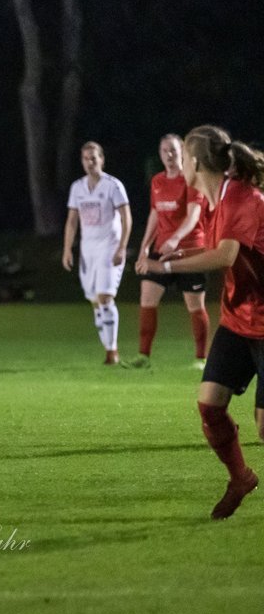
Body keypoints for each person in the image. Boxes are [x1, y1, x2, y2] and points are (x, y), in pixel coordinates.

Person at [137, 124, 264, 519]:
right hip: (237, 318)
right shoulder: (211, 201)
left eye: (183, 158)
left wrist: (167, 263)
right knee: (209, 405)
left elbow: (224, 257)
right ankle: (240, 477)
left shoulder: (243, 197)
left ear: (193, 162)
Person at [128, 134, 209, 369]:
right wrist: (144, 247)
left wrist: (175, 238)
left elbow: (194, 215)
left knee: (194, 305)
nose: (169, 155)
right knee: (147, 298)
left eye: (173, 150)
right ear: (160, 154)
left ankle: (200, 358)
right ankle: (143, 355)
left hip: (190, 251)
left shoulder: (192, 180)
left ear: (182, 151)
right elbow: (155, 214)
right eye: (164, 151)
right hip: (161, 250)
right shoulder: (157, 181)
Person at [62, 142, 133, 365]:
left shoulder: (113, 186)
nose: (90, 162)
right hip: (87, 250)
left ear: (102, 159)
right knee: (94, 301)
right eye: (85, 158)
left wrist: (122, 247)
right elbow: (72, 221)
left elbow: (126, 218)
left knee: (105, 297)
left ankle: (112, 351)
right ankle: (107, 347)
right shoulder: (77, 187)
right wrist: (67, 249)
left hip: (108, 247)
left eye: (93, 158)